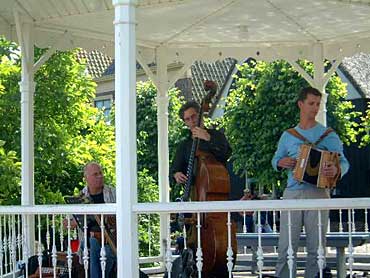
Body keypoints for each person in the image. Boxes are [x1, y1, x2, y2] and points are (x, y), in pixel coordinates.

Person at [271, 87, 349, 278]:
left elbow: (344, 163)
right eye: (311, 104)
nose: (315, 108)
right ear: (301, 104)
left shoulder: (328, 135)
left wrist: (335, 170)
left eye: (317, 104)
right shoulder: (288, 135)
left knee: (317, 246)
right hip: (292, 193)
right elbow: (275, 160)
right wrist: (281, 163)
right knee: (286, 245)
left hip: (318, 193)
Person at [64, 162, 116, 278]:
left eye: (101, 173)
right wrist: (75, 221)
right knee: (93, 243)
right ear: (86, 178)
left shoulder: (113, 193)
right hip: (87, 242)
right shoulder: (81, 197)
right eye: (95, 174)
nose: (100, 176)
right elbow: (66, 223)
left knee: (105, 252)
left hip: (111, 240)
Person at [171, 100, 232, 185]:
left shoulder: (217, 135)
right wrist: (176, 175)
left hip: (216, 187)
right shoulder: (184, 145)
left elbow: (226, 153)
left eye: (193, 116)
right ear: (185, 123)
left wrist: (208, 138)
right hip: (194, 193)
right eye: (187, 119)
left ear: (200, 115)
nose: (192, 121)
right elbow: (173, 170)